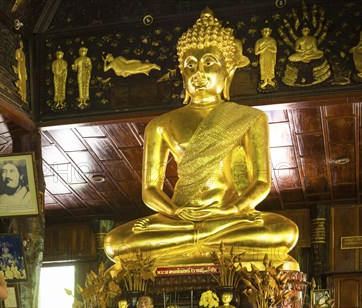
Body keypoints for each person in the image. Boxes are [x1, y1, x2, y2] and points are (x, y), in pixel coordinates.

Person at [104, 9, 299, 271]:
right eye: (190, 65)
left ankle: (193, 242)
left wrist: (230, 211)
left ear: (228, 70)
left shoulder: (249, 118)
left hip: (229, 218)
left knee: (284, 232)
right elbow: (150, 191)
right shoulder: (160, 125)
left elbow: (261, 182)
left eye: (209, 63)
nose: (199, 72)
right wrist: (175, 212)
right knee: (115, 242)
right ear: (182, 73)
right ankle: (200, 240)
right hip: (180, 218)